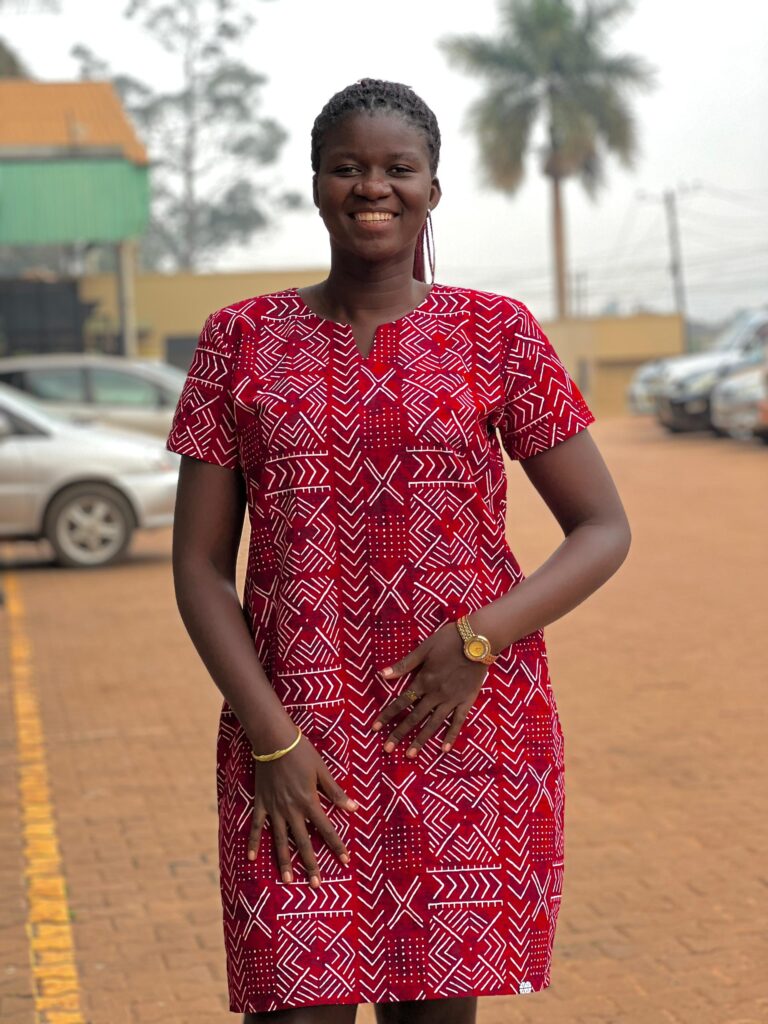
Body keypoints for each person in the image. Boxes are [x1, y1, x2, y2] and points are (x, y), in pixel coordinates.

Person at [166, 78, 631, 1024]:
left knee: (433, 1015)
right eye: (347, 167)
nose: (371, 187)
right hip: (290, 745)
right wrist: (271, 736)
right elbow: (202, 567)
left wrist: (479, 640)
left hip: (456, 729)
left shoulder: (497, 335)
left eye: (396, 169)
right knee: (296, 1007)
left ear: (431, 188)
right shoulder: (239, 340)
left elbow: (603, 528)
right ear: (316, 185)